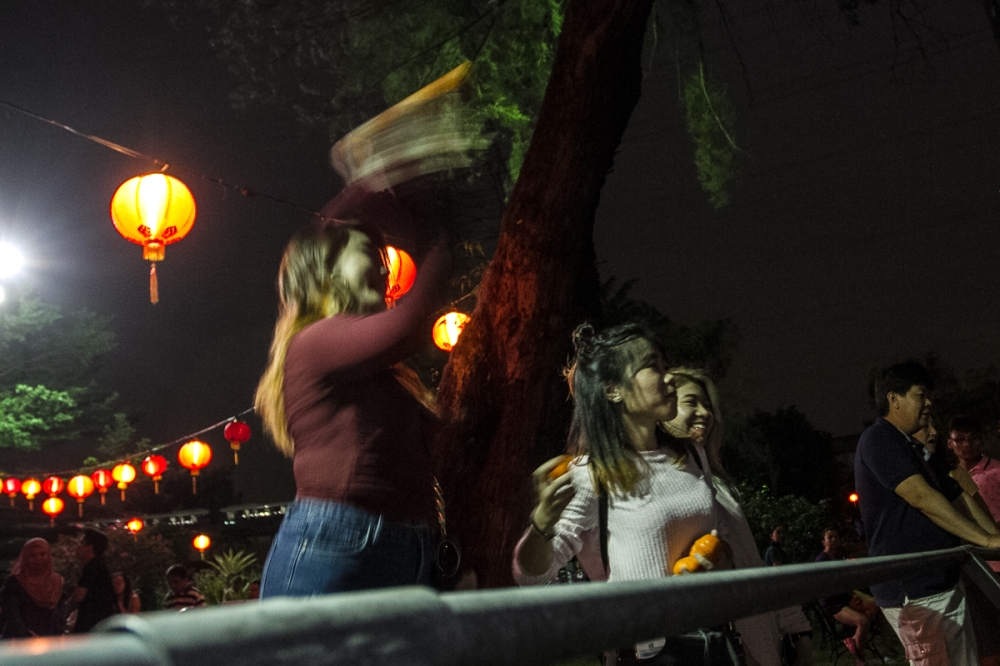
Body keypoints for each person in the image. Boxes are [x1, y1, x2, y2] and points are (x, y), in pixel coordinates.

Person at [513, 324, 784, 666]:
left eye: (665, 365)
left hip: (716, 646)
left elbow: (724, 542)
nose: (669, 377)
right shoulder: (589, 475)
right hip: (650, 656)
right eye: (653, 366)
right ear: (613, 390)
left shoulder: (691, 457)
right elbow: (530, 576)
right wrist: (542, 524)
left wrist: (715, 559)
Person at [254, 180, 449, 598]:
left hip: (400, 545)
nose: (385, 270)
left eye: (384, 259)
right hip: (338, 537)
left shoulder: (387, 374)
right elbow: (412, 325)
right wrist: (435, 231)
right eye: (368, 256)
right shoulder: (314, 343)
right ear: (325, 269)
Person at [855, 362, 1000, 666]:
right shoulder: (878, 439)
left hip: (941, 581)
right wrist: (985, 538)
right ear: (894, 399)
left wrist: (993, 538)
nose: (929, 403)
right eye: (921, 395)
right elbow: (921, 497)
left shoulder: (915, 449)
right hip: (914, 591)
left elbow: (956, 494)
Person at [814, 529, 876, 665]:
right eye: (830, 537)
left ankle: (854, 639)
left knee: (875, 606)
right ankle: (860, 658)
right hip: (832, 604)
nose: (834, 540)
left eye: (836, 536)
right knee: (863, 622)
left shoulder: (838, 558)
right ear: (823, 542)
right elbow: (828, 583)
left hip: (844, 599)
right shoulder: (821, 559)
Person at [0, 538, 66, 638]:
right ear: (25, 558)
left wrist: (56, 634)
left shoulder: (56, 582)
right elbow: (12, 614)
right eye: (33, 555)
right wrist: (27, 635)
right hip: (19, 642)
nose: (38, 559)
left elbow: (61, 613)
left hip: (50, 642)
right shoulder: (15, 582)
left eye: (43, 554)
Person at [70, 528, 117, 633]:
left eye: (81, 544)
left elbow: (79, 596)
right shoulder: (100, 565)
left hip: (91, 623)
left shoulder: (91, 567)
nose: (78, 547)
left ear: (90, 547)